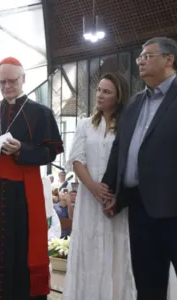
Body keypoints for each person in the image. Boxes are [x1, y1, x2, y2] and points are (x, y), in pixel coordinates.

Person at [102, 37, 177, 300]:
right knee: (147, 284)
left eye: (148, 56)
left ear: (169, 60)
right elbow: (121, 148)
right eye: (139, 58)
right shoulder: (135, 103)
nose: (141, 62)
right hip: (141, 208)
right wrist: (112, 189)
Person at [0, 57, 64, 300]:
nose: (7, 86)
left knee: (22, 250)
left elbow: (48, 152)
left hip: (23, 195)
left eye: (12, 81)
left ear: (23, 79)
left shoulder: (41, 113)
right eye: (2, 82)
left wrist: (21, 150)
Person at [62, 73, 136, 300]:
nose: (100, 95)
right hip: (88, 198)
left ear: (119, 96)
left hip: (115, 198)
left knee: (118, 247)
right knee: (90, 248)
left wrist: (111, 192)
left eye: (106, 91)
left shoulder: (127, 124)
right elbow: (76, 159)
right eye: (98, 90)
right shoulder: (85, 124)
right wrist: (93, 186)